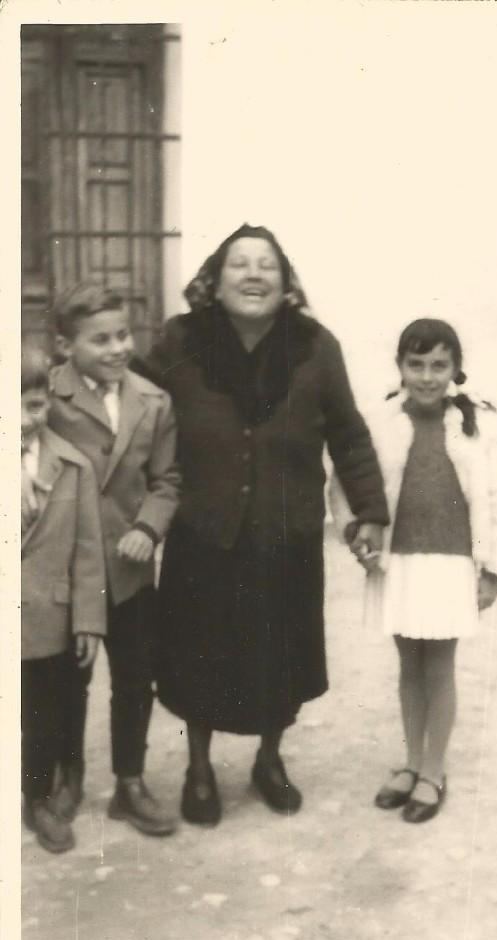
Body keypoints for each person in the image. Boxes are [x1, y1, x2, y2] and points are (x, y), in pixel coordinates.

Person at [144, 224, 388, 825]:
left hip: (287, 534)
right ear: (214, 280)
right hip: (203, 529)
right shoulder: (180, 339)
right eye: (239, 265)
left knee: (280, 658)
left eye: (267, 266)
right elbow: (135, 411)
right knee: (198, 655)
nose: (253, 275)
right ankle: (198, 768)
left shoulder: (314, 346)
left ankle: (269, 761)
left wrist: (371, 511)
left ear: (286, 284)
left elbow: (349, 435)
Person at [331, 319, 497, 823]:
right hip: (400, 562)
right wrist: (357, 535)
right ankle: (411, 761)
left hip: (451, 564)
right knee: (408, 665)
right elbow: (346, 485)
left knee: (438, 666)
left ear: (457, 369)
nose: (427, 377)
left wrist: (493, 570)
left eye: (439, 365)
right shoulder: (382, 421)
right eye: (416, 365)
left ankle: (434, 770)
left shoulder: (477, 426)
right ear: (400, 367)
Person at [48, 283, 181, 836]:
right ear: (65, 347)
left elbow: (168, 480)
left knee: (133, 678)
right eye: (99, 339)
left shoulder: (153, 401)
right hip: (68, 572)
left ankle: (129, 781)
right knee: (66, 681)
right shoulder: (45, 397)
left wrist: (148, 526)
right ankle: (66, 776)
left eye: (123, 335)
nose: (117, 348)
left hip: (127, 572)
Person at [21, 345, 107, 853]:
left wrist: (89, 620)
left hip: (56, 613)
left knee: (51, 707)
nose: (28, 419)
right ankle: (35, 793)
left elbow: (89, 552)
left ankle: (48, 790)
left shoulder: (72, 466)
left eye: (36, 404)